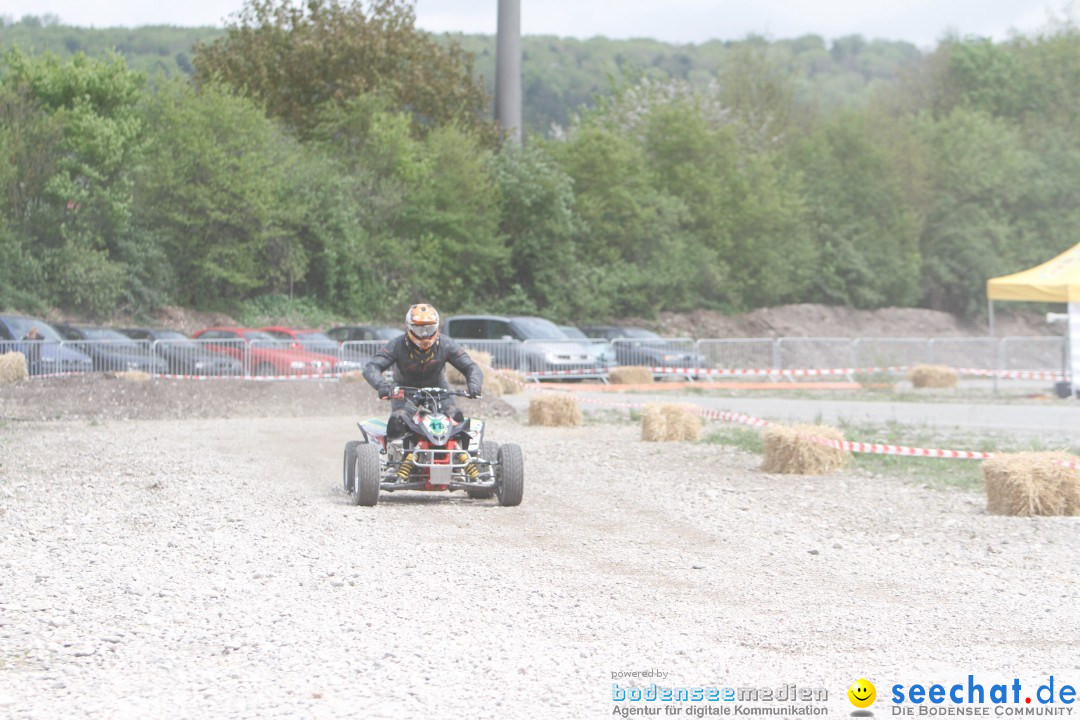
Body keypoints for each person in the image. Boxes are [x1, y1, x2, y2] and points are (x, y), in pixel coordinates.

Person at [362, 304, 483, 439]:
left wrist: (474, 385)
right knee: (397, 422)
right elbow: (371, 367)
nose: (425, 334)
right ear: (409, 327)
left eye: (429, 328)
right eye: (419, 329)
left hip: (438, 389)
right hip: (404, 390)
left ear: (437, 326)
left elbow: (470, 367)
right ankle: (399, 453)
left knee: (455, 417)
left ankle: (457, 453)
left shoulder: (446, 344)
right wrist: (382, 386)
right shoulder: (397, 345)